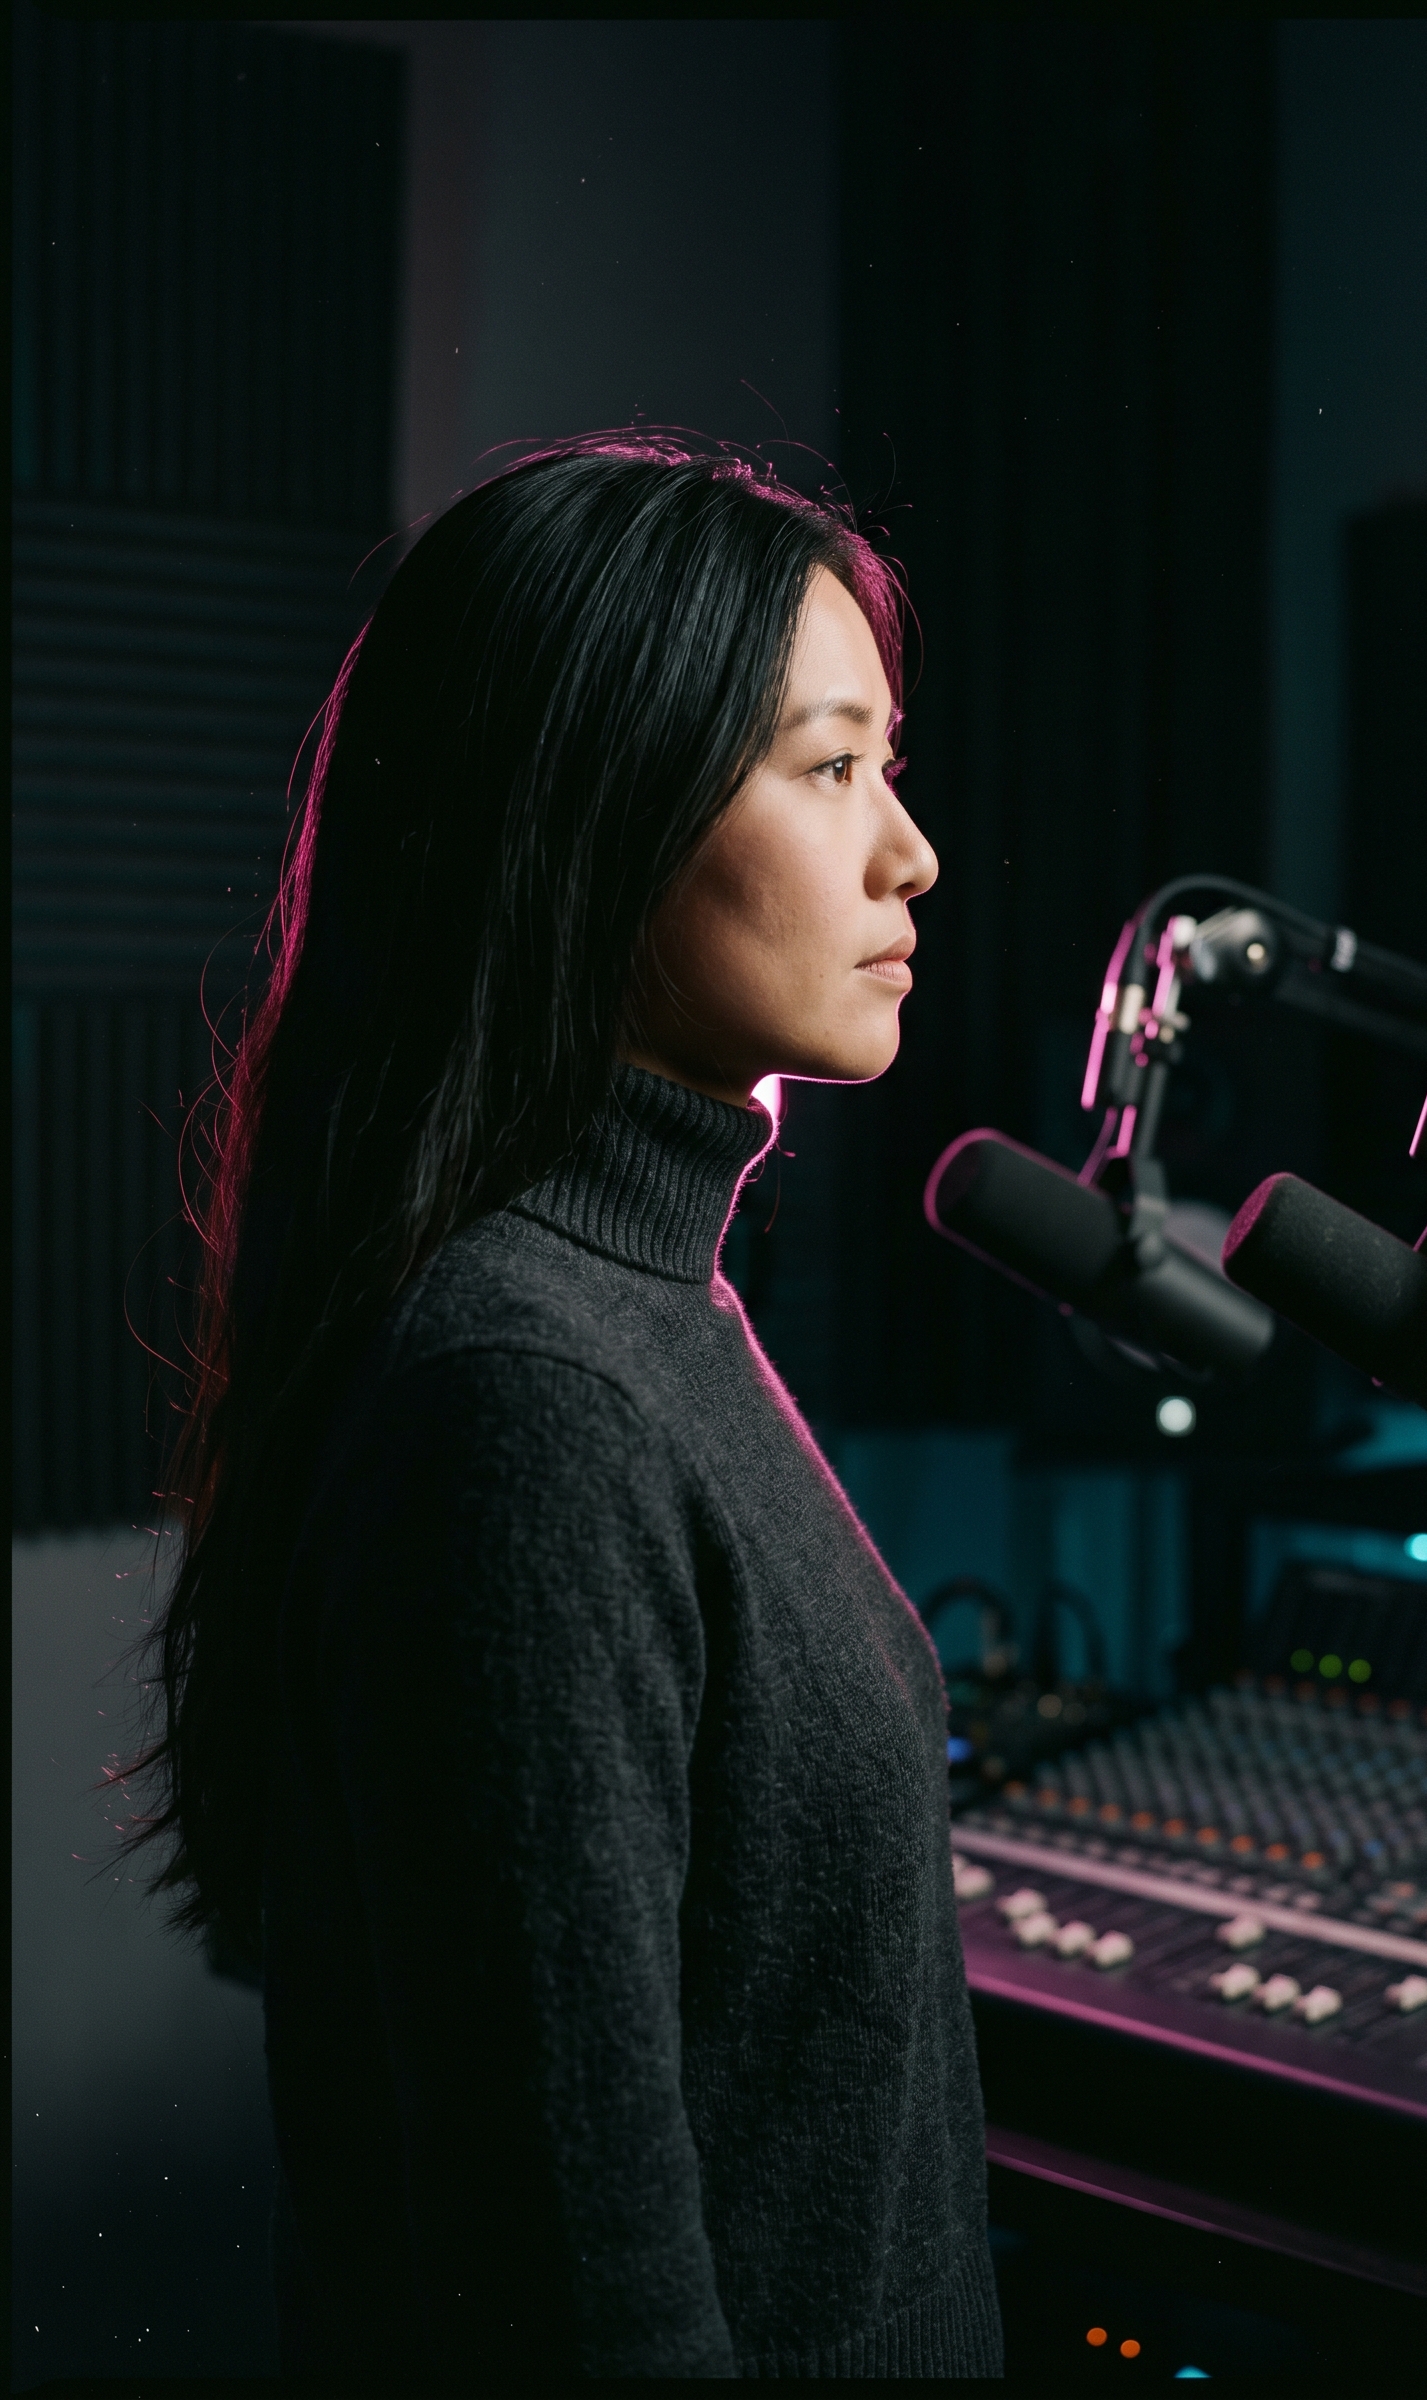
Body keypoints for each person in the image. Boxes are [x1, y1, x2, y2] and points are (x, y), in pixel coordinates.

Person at [133, 440, 1002, 2379]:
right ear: (592, 811)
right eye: (830, 766)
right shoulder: (528, 1400)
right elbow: (577, 2302)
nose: (907, 854)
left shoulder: (632, 1295)